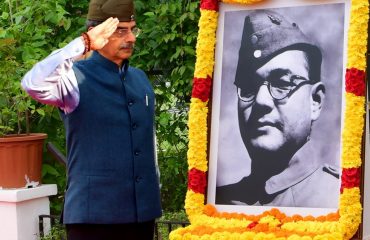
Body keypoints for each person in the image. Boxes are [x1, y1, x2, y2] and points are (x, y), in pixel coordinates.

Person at [21, 0, 162, 239]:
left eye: (132, 29)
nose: (131, 38)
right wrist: (84, 43)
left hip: (142, 216)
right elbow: (32, 83)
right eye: (121, 30)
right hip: (93, 219)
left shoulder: (140, 80)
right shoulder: (74, 78)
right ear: (97, 31)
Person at [216, 9, 340, 208]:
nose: (261, 101)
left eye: (282, 83)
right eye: (248, 87)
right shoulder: (218, 202)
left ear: (315, 101)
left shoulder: (338, 197)